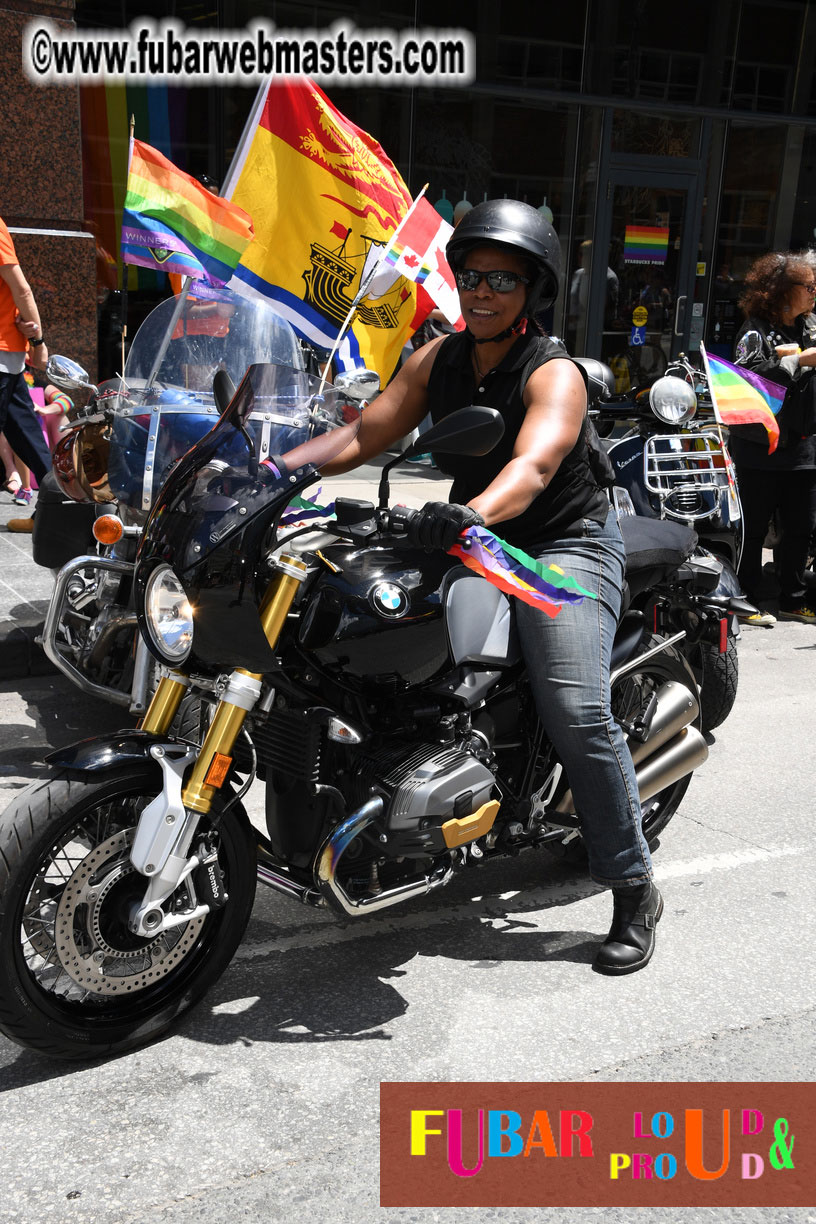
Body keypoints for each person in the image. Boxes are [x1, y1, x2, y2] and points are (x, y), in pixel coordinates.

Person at [325, 199, 661, 975]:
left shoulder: (554, 372)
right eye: (471, 275)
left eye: (501, 280)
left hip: (559, 544)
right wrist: (274, 468)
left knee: (576, 707)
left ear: (531, 289)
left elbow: (533, 466)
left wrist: (466, 514)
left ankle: (633, 884)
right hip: (474, 530)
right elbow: (363, 433)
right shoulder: (436, 358)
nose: (481, 291)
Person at [730, 250, 816, 626]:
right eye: (809, 286)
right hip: (761, 449)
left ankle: (791, 597)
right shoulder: (756, 329)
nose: (815, 292)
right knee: (753, 524)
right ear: (782, 290)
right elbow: (747, 384)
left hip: (804, 447)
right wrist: (795, 361)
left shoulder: (811, 325)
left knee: (802, 525)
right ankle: (746, 594)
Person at [0, 215, 52, 534]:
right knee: (27, 436)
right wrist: (38, 343)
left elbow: (20, 291)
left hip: (6, 353)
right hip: (6, 351)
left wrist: (35, 340)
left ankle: (63, 512)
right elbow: (22, 289)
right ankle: (63, 512)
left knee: (27, 436)